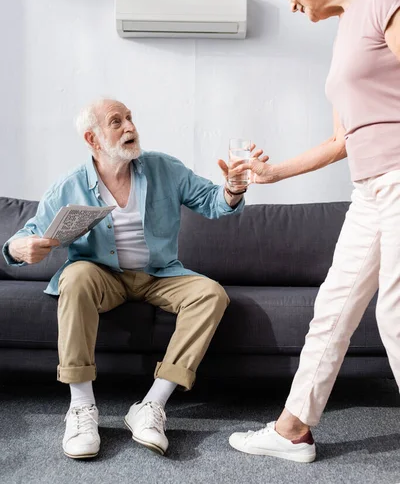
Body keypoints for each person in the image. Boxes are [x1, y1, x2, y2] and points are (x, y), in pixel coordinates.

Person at [2, 98, 266, 460]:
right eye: (117, 121)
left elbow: (212, 201)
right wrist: (20, 248)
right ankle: (81, 407)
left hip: (159, 274)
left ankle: (151, 405)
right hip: (102, 276)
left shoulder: (163, 168)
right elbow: (23, 236)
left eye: (130, 118)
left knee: (211, 294)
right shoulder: (69, 185)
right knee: (75, 276)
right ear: (92, 139)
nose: (130, 127)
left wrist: (233, 189)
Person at [228, 0, 400, 463]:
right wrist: (272, 173)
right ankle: (293, 429)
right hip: (370, 189)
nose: (292, 4)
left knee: (395, 313)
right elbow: (340, 139)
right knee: (332, 308)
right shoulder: (345, 29)